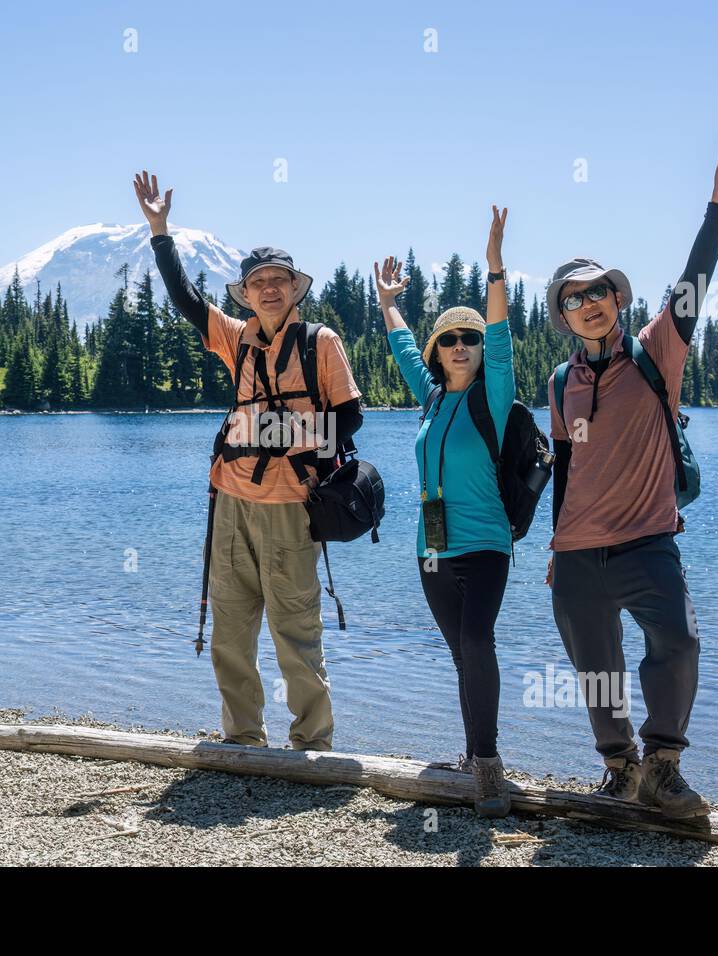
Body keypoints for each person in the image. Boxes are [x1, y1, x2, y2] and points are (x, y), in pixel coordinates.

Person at [544, 130, 718, 817]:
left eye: (600, 290)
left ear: (618, 298)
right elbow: (566, 468)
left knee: (680, 642)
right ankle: (618, 766)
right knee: (596, 672)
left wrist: (717, 204)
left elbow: (695, 281)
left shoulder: (657, 349)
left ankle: (664, 763)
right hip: (576, 554)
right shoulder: (558, 383)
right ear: (564, 317)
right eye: (576, 298)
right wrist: (553, 548)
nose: (591, 302)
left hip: (648, 540)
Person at [133, 170, 364, 751]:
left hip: (291, 505)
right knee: (230, 632)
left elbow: (349, 421)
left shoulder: (321, 342)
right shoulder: (235, 338)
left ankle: (313, 744)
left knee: (295, 631)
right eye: (257, 281)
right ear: (246, 292)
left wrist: (271, 428)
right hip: (230, 502)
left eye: (279, 281)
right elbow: (186, 299)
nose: (268, 289)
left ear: (294, 289)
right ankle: (243, 740)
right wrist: (160, 231)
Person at [374, 205, 516, 816]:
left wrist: (494, 268)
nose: (462, 346)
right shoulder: (430, 399)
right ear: (440, 351)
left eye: (471, 339)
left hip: (485, 544)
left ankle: (487, 768)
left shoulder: (497, 395)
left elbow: (504, 340)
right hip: (430, 549)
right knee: (462, 654)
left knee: (478, 642)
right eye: (451, 340)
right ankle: (473, 750)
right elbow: (404, 350)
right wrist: (387, 304)